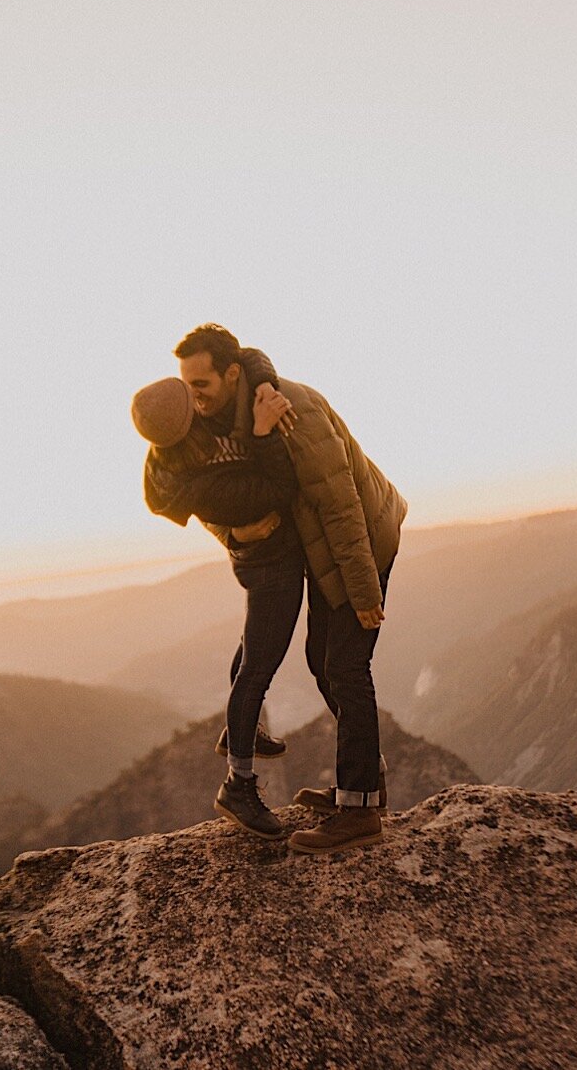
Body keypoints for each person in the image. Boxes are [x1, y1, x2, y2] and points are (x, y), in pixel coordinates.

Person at [174, 323, 407, 854]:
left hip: (362, 541)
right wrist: (234, 533)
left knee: (346, 667)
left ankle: (360, 812)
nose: (194, 397)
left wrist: (365, 592)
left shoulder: (290, 413)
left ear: (232, 374)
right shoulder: (224, 424)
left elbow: (341, 504)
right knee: (323, 661)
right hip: (322, 551)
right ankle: (363, 784)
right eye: (186, 386)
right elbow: (217, 497)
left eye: (201, 384)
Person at [132, 348, 302, 842]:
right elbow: (280, 487)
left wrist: (265, 386)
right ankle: (238, 784)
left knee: (253, 646)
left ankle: (240, 733)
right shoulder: (207, 483)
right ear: (183, 422)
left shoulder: (191, 437)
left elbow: (247, 357)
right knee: (260, 664)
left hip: (266, 555)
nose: (200, 400)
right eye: (192, 398)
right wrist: (266, 432)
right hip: (269, 564)